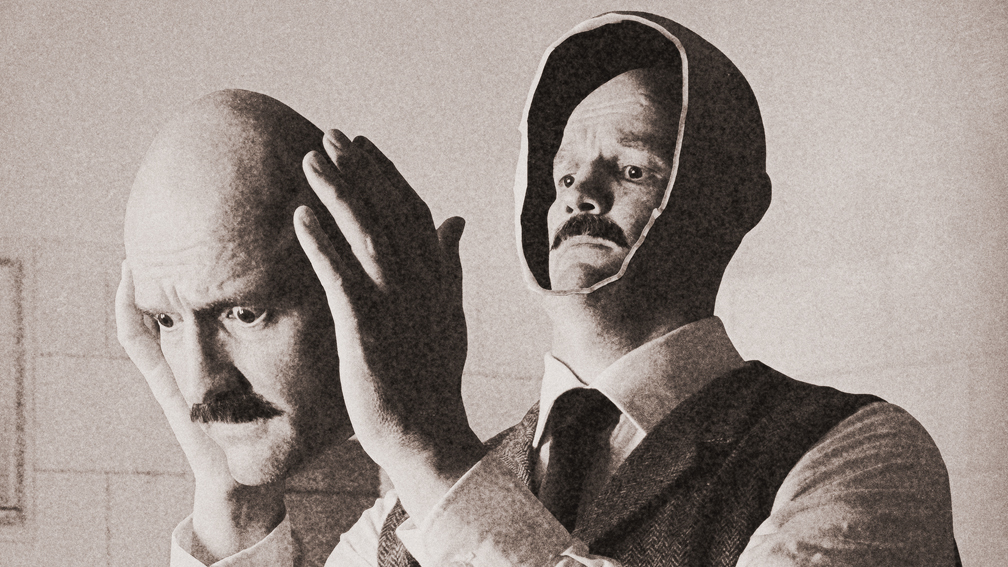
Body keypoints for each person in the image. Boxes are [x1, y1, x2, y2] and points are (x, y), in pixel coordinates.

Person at [154, 12, 960, 567]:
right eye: (565, 174)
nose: (581, 195)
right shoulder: (405, 516)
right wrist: (230, 498)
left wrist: (430, 454)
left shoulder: (860, 455)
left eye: (632, 168)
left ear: (736, 202)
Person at [118, 88, 473, 564]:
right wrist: (233, 502)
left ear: (365, 281)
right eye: (167, 320)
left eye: (245, 314)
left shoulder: (512, 505)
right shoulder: (378, 544)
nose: (201, 383)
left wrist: (429, 453)